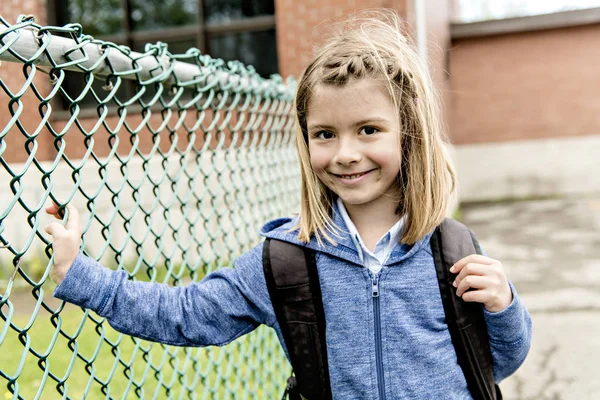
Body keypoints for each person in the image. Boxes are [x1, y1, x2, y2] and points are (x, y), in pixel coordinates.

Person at [46, 11, 532, 399]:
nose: (345, 153)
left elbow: (496, 363)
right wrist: (83, 276)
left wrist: (504, 305)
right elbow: (188, 312)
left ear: (408, 134)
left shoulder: (449, 247)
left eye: (368, 130)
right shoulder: (285, 261)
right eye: (325, 134)